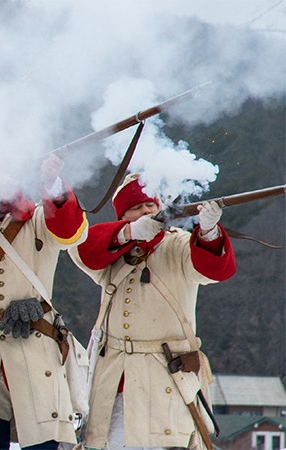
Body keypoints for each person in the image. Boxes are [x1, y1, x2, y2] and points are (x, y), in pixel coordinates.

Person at [69, 173, 234, 450]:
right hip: (116, 381)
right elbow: (83, 248)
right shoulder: (115, 246)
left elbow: (216, 270)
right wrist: (130, 233)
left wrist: (208, 231)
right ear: (123, 217)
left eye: (151, 206)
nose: (147, 211)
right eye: (137, 208)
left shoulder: (179, 243)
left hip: (166, 374)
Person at [0, 155, 88, 450]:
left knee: (42, 433)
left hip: (34, 334)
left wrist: (53, 183)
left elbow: (69, 232)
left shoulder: (40, 216)